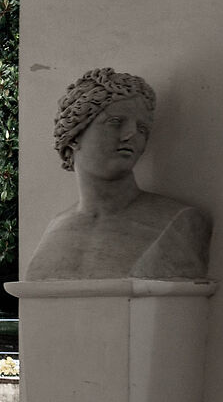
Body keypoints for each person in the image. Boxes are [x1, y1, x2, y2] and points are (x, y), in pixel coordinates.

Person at [25, 68, 211, 281]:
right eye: (115, 122)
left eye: (142, 128)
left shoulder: (179, 223)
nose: (131, 134)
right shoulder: (56, 228)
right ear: (75, 135)